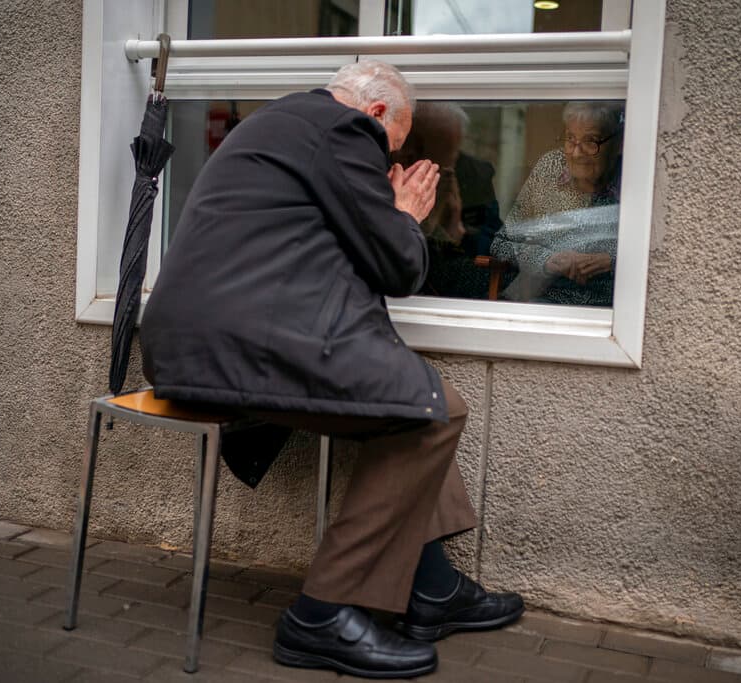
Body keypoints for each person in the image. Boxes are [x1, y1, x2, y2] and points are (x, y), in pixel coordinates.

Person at [139, 60, 524, 679]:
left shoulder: (281, 123)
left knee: (418, 394)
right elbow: (399, 268)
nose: (386, 164)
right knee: (433, 409)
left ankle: (432, 588)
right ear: (373, 114)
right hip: (237, 347)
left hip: (192, 344)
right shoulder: (341, 130)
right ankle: (320, 614)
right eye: (390, 149)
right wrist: (405, 214)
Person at [491, 100, 624, 306]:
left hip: (606, 311)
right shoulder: (549, 168)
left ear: (617, 144)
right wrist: (547, 260)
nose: (576, 153)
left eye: (591, 141)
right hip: (539, 300)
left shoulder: (634, 176)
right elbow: (501, 244)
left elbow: (659, 255)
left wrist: (612, 261)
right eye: (570, 139)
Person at [393, 102, 507, 300]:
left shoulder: (472, 177)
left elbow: (497, 247)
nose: (404, 156)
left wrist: (456, 230)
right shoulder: (378, 174)